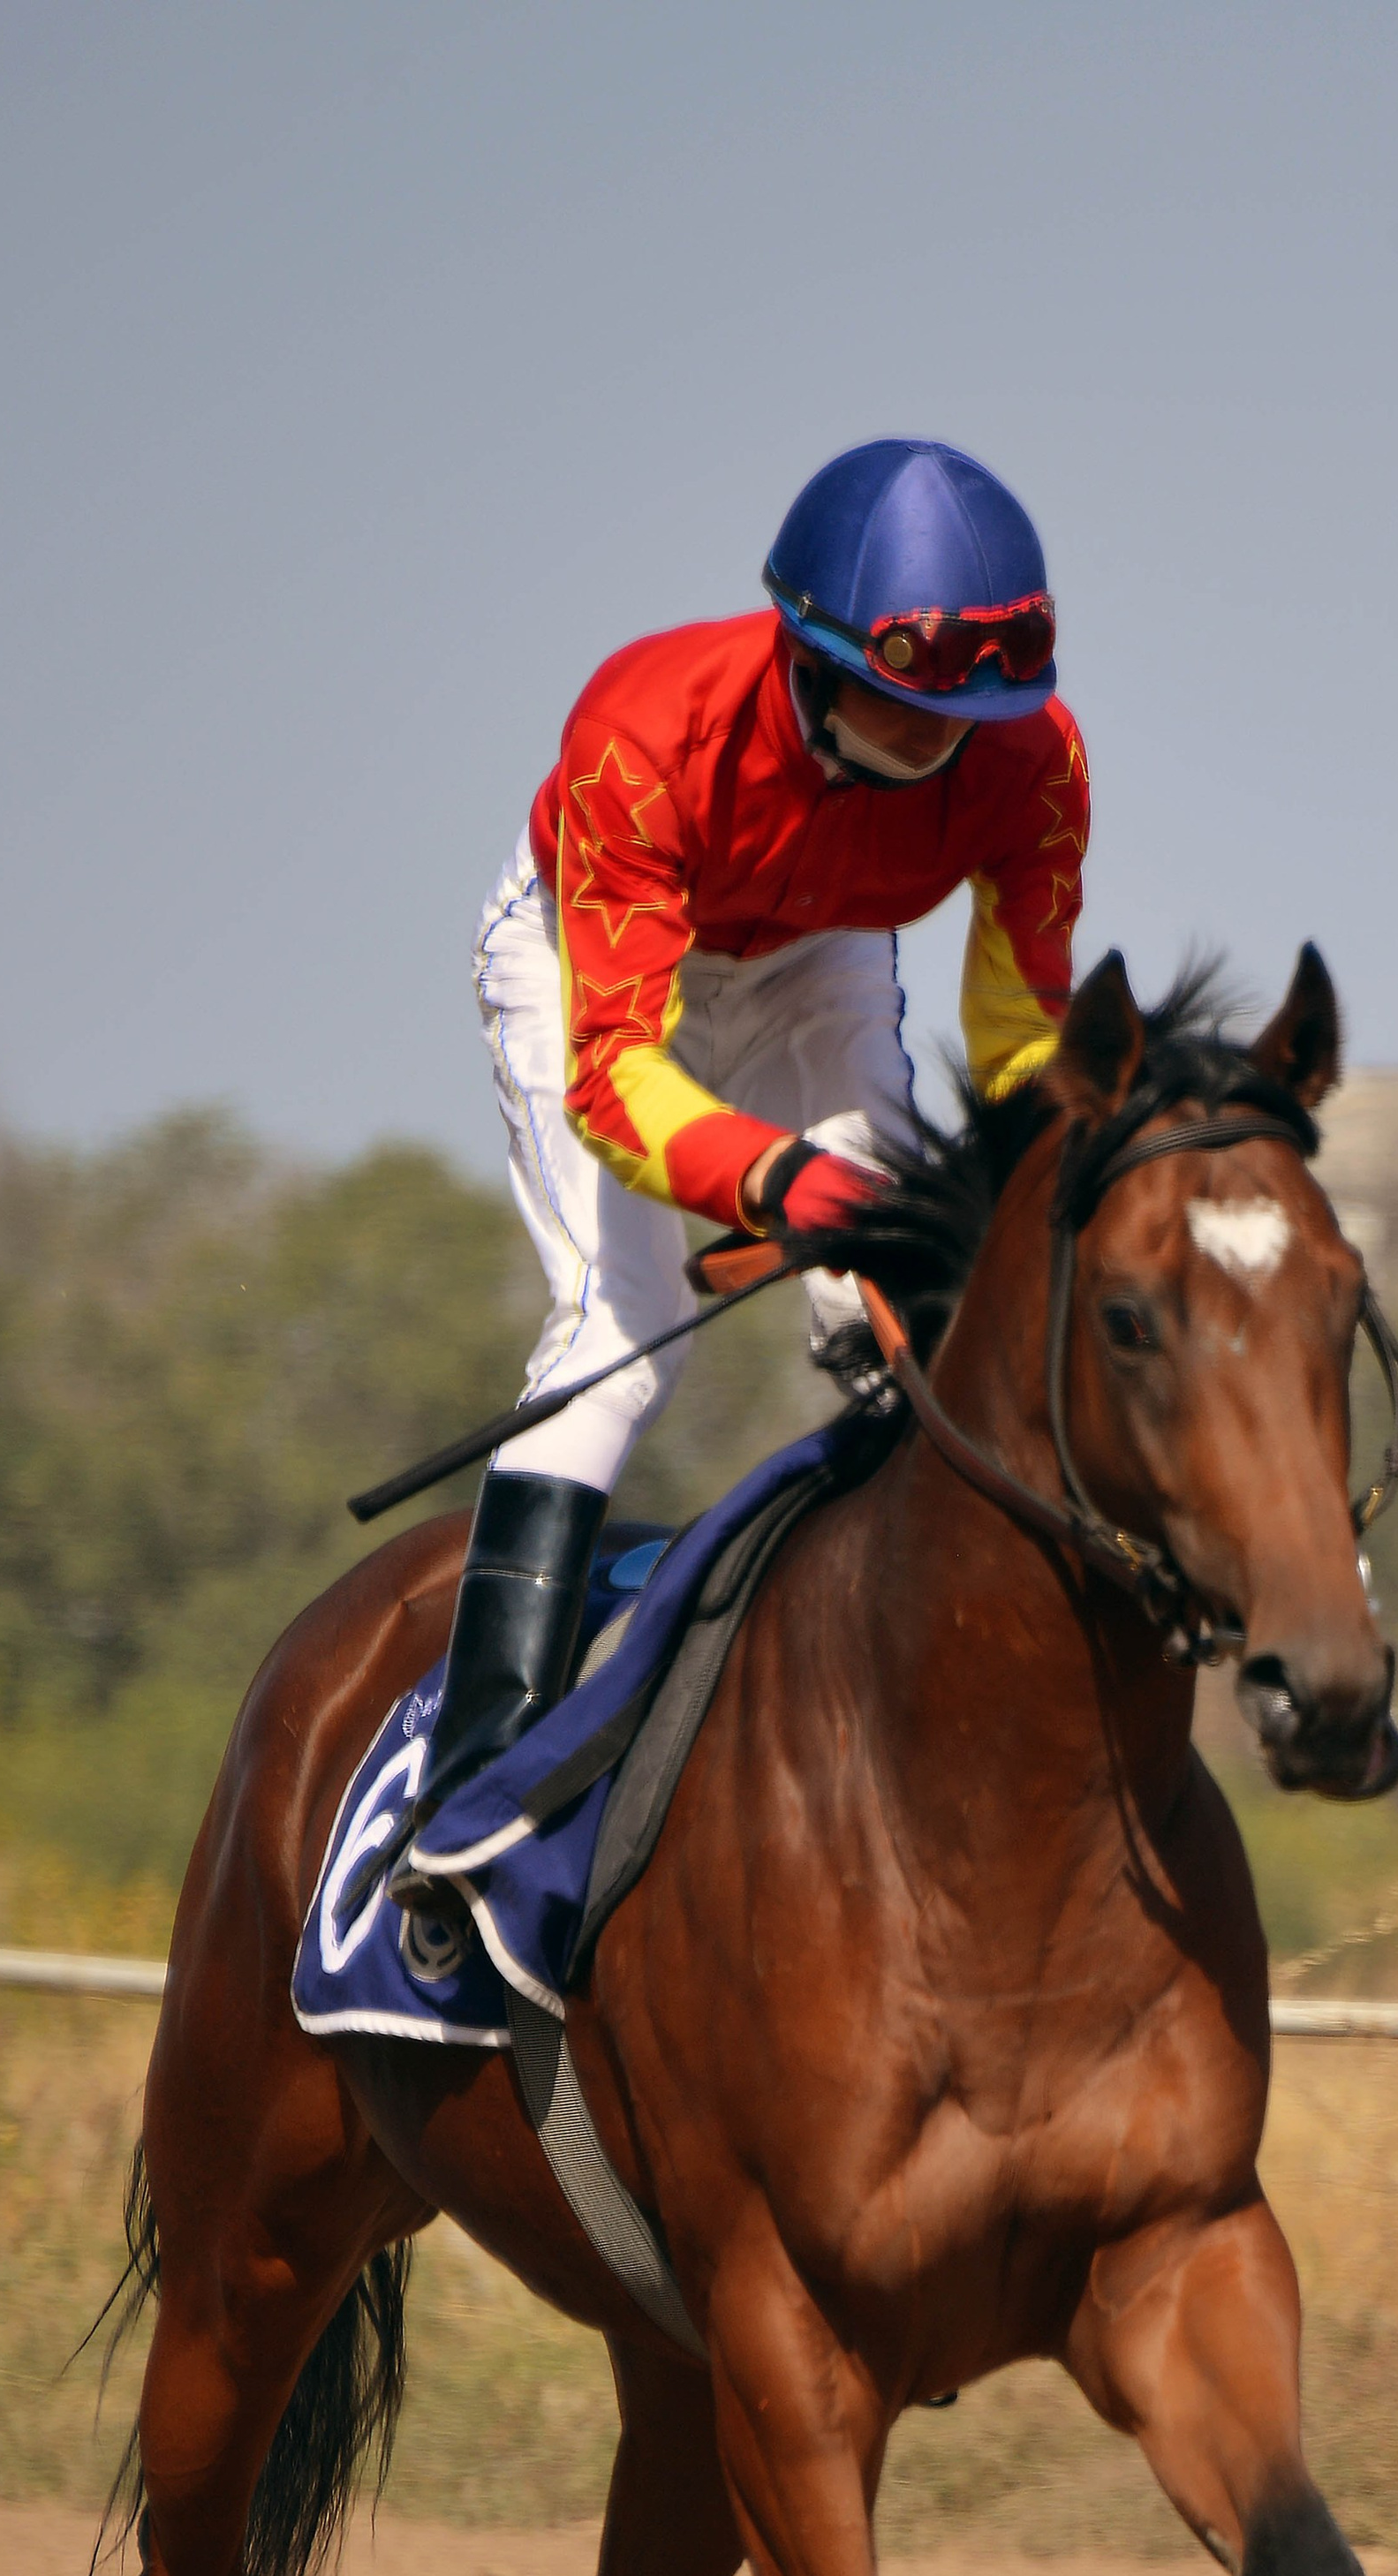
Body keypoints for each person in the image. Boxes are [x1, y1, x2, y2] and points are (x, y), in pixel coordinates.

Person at [401, 436, 1090, 1856]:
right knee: (629, 1328)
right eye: (905, 711)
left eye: (965, 720)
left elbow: (1023, 1039)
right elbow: (615, 1079)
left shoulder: (1037, 759)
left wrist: (1035, 1176)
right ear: (810, 656)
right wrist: (778, 1177)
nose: (937, 750)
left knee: (908, 1294)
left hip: (819, 953)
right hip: (591, 971)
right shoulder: (641, 734)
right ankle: (472, 1776)